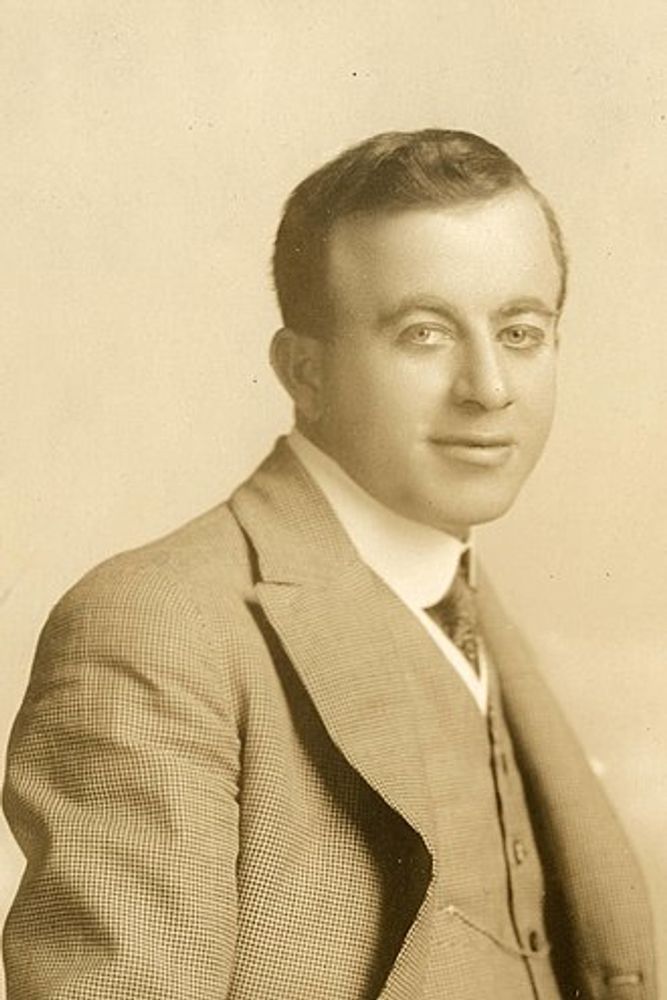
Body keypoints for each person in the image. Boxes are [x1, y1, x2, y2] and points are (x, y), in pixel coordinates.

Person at [3, 129, 656, 999]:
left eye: (521, 330)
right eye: (424, 333)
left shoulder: (469, 604)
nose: (489, 387)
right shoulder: (158, 625)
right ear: (303, 371)